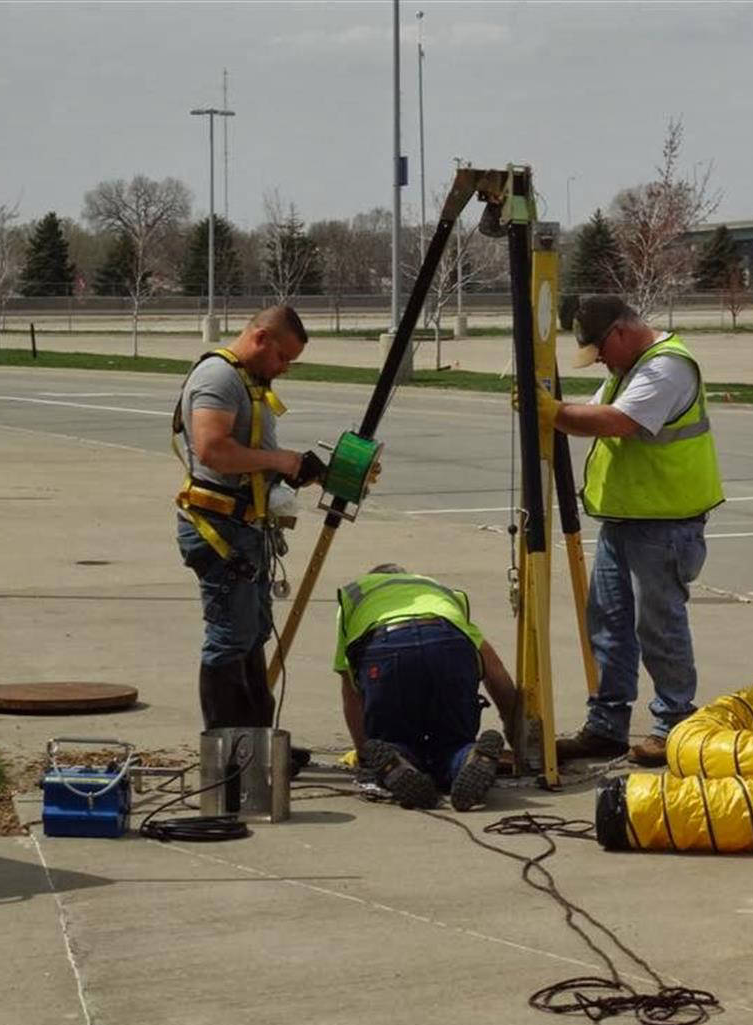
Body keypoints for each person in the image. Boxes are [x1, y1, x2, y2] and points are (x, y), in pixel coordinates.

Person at [533, 294, 724, 767]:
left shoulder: (666, 368)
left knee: (658, 626)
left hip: (664, 523)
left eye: (600, 349)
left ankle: (675, 723)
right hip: (626, 520)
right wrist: (557, 408)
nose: (599, 361)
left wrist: (551, 412)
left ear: (620, 332)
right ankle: (606, 725)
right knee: (609, 623)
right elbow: (594, 412)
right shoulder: (627, 370)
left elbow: (616, 422)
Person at [174, 305, 323, 739]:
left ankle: (256, 743)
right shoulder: (219, 378)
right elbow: (213, 449)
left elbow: (246, 453)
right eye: (283, 358)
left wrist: (296, 470)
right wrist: (280, 460)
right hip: (220, 529)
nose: (284, 369)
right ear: (261, 339)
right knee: (230, 636)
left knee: (252, 631)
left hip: (245, 529)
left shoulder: (248, 382)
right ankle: (228, 755)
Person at [335, 564, 518, 811]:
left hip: (386, 648)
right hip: (448, 642)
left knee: (395, 739)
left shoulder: (355, 595)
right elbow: (494, 670)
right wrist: (514, 727)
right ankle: (469, 757)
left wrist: (365, 753)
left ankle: (395, 760)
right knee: (453, 742)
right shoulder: (439, 592)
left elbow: (351, 690)